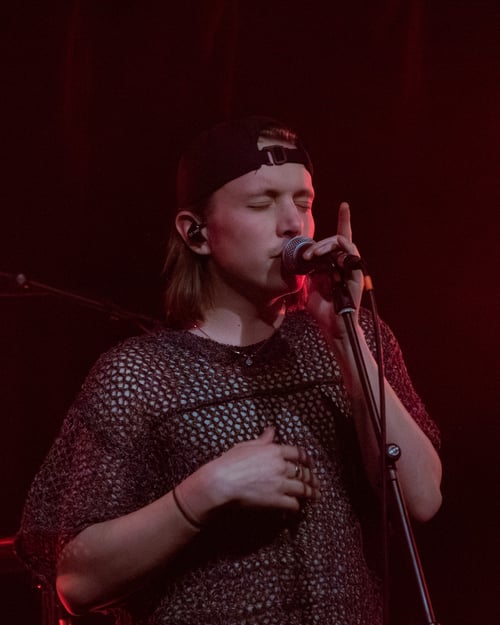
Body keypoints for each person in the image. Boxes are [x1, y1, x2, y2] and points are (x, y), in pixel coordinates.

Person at [15, 116, 442, 625]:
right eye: (262, 204)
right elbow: (77, 582)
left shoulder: (356, 337)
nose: (293, 224)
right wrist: (205, 492)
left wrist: (345, 342)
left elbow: (421, 498)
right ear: (196, 233)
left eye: (303, 202)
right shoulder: (140, 374)